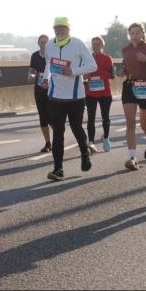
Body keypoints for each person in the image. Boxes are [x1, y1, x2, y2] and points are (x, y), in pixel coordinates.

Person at [40, 17, 96, 181]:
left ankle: (84, 153)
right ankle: (58, 169)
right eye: (56, 28)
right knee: (58, 132)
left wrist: (73, 71)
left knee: (76, 127)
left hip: (75, 96)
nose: (59, 30)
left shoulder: (77, 43)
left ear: (68, 29)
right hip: (55, 96)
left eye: (62, 27)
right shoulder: (50, 44)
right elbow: (49, 64)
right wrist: (46, 78)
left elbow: (92, 66)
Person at [119, 22, 146, 170]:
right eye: (132, 33)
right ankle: (133, 157)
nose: (135, 36)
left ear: (142, 34)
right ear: (129, 34)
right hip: (130, 85)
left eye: (137, 33)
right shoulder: (125, 49)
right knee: (130, 123)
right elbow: (125, 65)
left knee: (144, 124)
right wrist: (122, 71)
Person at [83, 36, 115, 153]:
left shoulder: (107, 58)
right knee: (90, 118)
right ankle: (91, 142)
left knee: (105, 118)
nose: (95, 46)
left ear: (102, 45)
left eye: (98, 44)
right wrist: (85, 75)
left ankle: (106, 138)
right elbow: (82, 74)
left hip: (105, 93)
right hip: (90, 93)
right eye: (93, 44)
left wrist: (96, 70)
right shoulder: (87, 58)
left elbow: (112, 75)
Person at [29, 35, 52, 153]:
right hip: (39, 90)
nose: (43, 44)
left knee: (52, 117)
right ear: (38, 44)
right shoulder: (34, 56)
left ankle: (59, 139)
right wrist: (31, 76)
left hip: (52, 91)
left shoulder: (53, 56)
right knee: (43, 117)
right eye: (41, 42)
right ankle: (48, 143)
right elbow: (32, 70)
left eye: (46, 42)